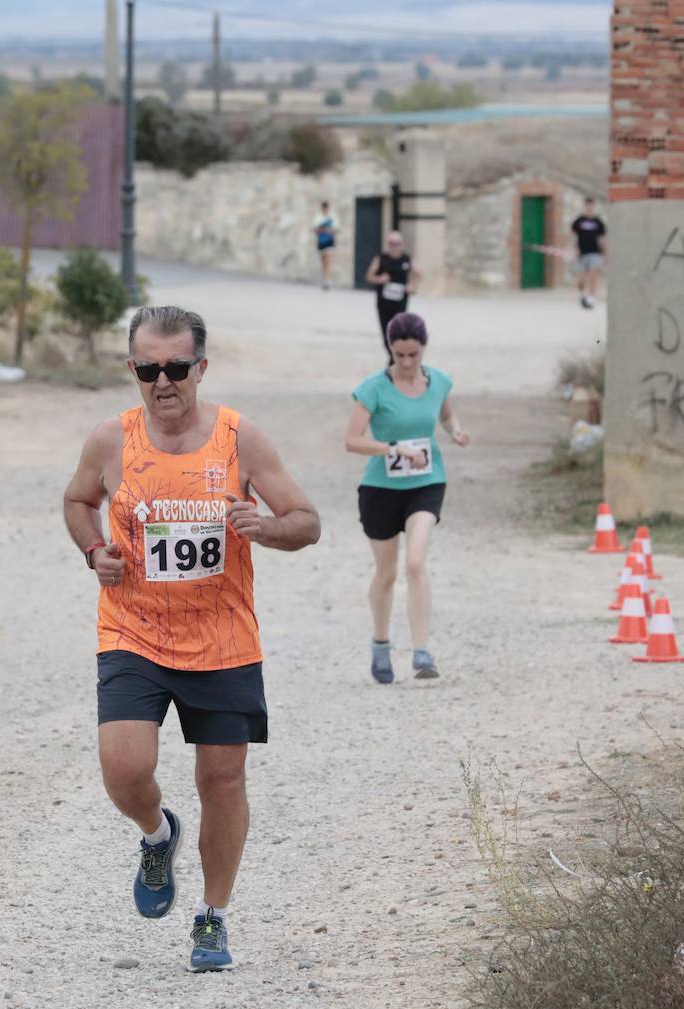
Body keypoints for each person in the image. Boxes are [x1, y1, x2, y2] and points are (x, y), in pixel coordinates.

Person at [63, 305, 321, 973]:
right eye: (149, 368)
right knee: (123, 768)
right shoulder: (110, 441)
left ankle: (212, 916)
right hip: (134, 626)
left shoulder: (240, 440)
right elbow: (76, 500)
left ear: (201, 368)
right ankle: (157, 833)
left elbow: (307, 520)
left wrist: (266, 527)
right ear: (133, 369)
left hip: (222, 636)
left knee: (222, 778)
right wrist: (94, 550)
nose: (163, 381)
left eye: (177, 367)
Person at [343, 312, 467, 684]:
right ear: (391, 351)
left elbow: (446, 416)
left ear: (423, 349)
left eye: (414, 355)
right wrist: (392, 449)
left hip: (427, 483)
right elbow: (352, 440)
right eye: (400, 355)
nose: (408, 362)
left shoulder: (439, 381)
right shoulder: (373, 388)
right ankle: (381, 644)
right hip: (381, 490)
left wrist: (457, 432)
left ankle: (422, 651)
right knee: (387, 573)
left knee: (416, 563)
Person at [365, 231, 419, 362]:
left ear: (401, 244)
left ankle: (394, 361)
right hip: (383, 304)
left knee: (399, 332)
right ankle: (393, 358)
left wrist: (412, 286)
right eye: (391, 243)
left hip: (400, 304)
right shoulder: (381, 259)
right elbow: (369, 276)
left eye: (397, 243)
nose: (394, 246)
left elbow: (419, 274)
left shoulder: (406, 259)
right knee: (386, 334)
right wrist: (379, 279)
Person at [571, 197, 607, 309]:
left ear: (593, 207)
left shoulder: (598, 222)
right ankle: (582, 295)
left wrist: (605, 254)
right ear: (584, 206)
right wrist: (575, 249)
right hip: (582, 253)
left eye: (591, 206)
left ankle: (591, 298)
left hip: (595, 252)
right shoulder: (578, 221)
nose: (589, 208)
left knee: (593, 275)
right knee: (582, 279)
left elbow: (602, 239)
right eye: (587, 206)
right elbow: (573, 236)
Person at [312, 201, 338, 290]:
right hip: (321, 242)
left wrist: (329, 230)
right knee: (323, 262)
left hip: (329, 241)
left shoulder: (332, 217)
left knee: (328, 260)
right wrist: (322, 229)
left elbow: (336, 229)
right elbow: (315, 229)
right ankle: (325, 279)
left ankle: (327, 280)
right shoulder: (318, 217)